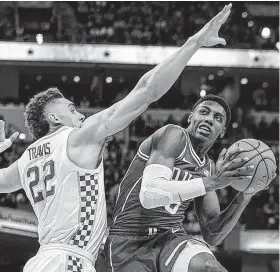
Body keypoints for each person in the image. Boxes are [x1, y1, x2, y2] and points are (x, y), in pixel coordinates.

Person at [0, 4, 232, 272]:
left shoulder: (26, 159)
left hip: (40, 261)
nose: (81, 116)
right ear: (54, 118)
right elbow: (146, 90)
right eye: (72, 109)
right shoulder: (77, 137)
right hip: (70, 260)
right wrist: (195, 42)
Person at [105, 93, 277, 272]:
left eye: (218, 118)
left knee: (212, 268)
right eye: (204, 112)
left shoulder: (208, 168)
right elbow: (149, 194)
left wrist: (245, 196)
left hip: (170, 239)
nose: (209, 119)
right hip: (129, 239)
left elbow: (212, 235)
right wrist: (214, 182)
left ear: (223, 130)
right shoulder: (173, 135)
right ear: (191, 117)